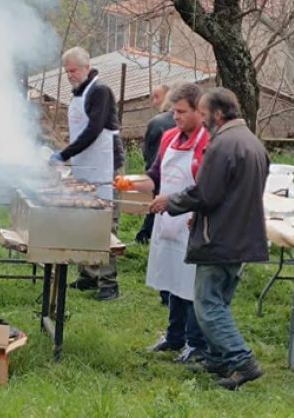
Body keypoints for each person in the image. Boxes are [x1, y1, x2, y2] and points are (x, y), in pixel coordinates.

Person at [150, 87, 269, 390]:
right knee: (220, 301)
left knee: (207, 305)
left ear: (217, 114)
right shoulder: (252, 143)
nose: (201, 122)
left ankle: (242, 361)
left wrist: (170, 202)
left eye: (202, 115)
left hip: (220, 236)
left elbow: (206, 192)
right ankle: (218, 357)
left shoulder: (222, 145)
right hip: (242, 234)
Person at [115, 82, 209, 363]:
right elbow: (155, 176)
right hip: (166, 221)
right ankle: (174, 336)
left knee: (189, 283)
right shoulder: (169, 137)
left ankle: (195, 343)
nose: (176, 117)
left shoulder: (208, 141)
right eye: (174, 111)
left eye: (182, 112)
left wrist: (196, 212)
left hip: (191, 221)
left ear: (199, 112)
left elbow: (206, 186)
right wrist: (129, 183)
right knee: (171, 278)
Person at [49, 46, 125, 301]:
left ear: (87, 66)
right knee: (83, 217)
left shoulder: (100, 91)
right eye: (67, 70)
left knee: (104, 222)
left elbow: (93, 131)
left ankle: (109, 283)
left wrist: (65, 153)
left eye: (74, 70)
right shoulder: (79, 92)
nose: (70, 74)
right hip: (85, 164)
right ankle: (88, 275)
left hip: (105, 164)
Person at [135, 84, 175, 246]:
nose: (154, 102)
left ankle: (145, 235)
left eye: (157, 97)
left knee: (156, 204)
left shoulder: (158, 122)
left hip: (158, 173)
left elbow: (149, 152)